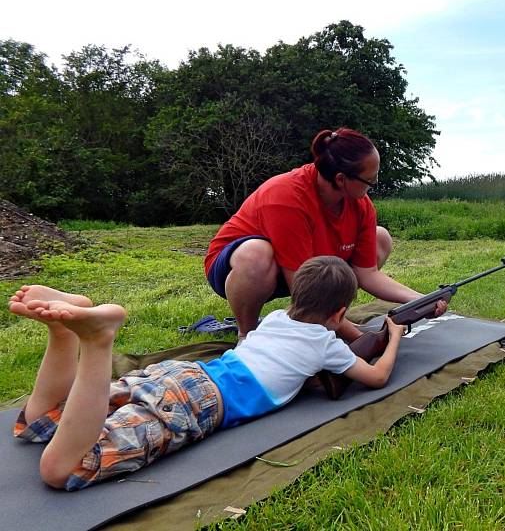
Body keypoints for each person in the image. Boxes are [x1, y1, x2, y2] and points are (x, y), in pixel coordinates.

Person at [8, 256, 406, 491]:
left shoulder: (272, 319)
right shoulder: (327, 344)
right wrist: (393, 337)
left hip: (183, 374)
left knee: (43, 422)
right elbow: (376, 377)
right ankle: (97, 342)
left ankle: (61, 334)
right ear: (339, 314)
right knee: (63, 468)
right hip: (200, 403)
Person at [204, 127, 446, 341]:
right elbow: (302, 287)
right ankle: (247, 334)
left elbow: (368, 274)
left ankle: (326, 318)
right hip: (241, 268)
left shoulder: (360, 204)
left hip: (304, 266)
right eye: (371, 181)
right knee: (257, 254)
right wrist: (361, 338)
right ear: (341, 179)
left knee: (380, 237)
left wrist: (422, 299)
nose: (375, 185)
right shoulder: (286, 198)